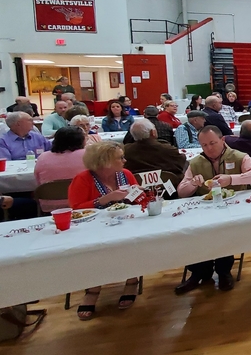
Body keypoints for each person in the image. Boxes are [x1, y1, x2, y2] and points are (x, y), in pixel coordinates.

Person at [175, 126, 251, 294]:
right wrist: (193, 183)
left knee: (224, 231)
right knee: (193, 233)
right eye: (204, 145)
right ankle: (199, 272)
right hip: (204, 210)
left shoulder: (239, 157)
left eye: (212, 143)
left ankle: (223, 271)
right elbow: (181, 192)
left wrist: (231, 178)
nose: (209, 148)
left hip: (234, 209)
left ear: (222, 140)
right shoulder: (195, 162)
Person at [67, 141, 141, 319]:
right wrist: (104, 199)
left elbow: (139, 201)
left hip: (127, 225)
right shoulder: (84, 179)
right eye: (120, 158)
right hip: (93, 228)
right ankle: (93, 289)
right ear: (105, 161)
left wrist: (139, 193)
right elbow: (75, 209)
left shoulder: (126, 175)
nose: (124, 161)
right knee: (94, 251)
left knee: (134, 242)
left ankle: (132, 280)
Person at [33, 126, 87, 212]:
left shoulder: (43, 157)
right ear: (81, 140)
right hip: (82, 202)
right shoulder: (87, 155)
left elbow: (37, 180)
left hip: (50, 203)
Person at [122, 119, 187, 177]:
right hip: (168, 185)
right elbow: (180, 164)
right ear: (152, 132)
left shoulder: (125, 151)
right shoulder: (167, 149)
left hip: (137, 185)